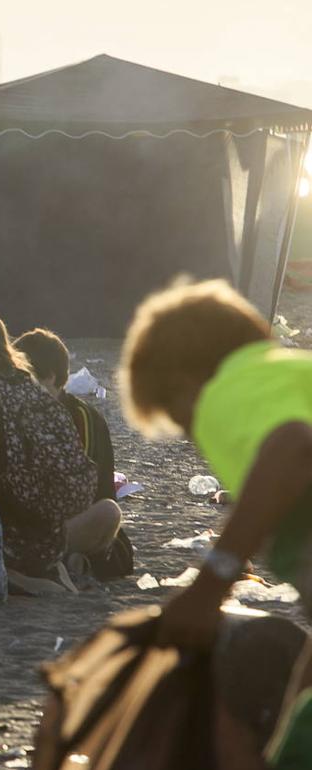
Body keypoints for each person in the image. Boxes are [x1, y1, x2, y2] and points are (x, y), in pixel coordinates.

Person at [119, 280, 312, 767]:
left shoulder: (225, 392)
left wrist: (212, 580)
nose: (198, 439)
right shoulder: (294, 375)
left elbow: (293, 445)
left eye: (182, 424)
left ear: (182, 384)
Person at [0, 307, 120, 592]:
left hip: (10, 539)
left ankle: (18, 575)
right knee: (109, 513)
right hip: (50, 532)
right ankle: (56, 565)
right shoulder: (26, 385)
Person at [13, 329, 116, 503]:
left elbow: (81, 483)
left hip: (80, 511)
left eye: (25, 378)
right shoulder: (21, 411)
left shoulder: (82, 418)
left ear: (50, 378)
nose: (17, 386)